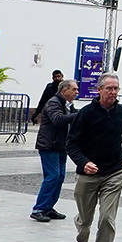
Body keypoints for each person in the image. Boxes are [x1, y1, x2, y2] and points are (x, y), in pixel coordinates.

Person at [66, 73, 122, 242]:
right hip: (88, 175)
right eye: (109, 88)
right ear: (99, 90)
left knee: (107, 220)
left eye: (116, 88)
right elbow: (72, 144)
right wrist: (83, 162)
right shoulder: (86, 114)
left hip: (114, 173)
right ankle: (81, 241)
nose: (113, 92)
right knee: (85, 222)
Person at [31, 78, 79, 222]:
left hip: (60, 145)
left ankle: (48, 207)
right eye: (74, 89)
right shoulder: (53, 102)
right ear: (65, 91)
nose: (77, 92)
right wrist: (78, 115)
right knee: (52, 176)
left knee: (59, 177)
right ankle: (39, 208)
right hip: (49, 145)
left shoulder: (67, 104)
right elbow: (58, 119)